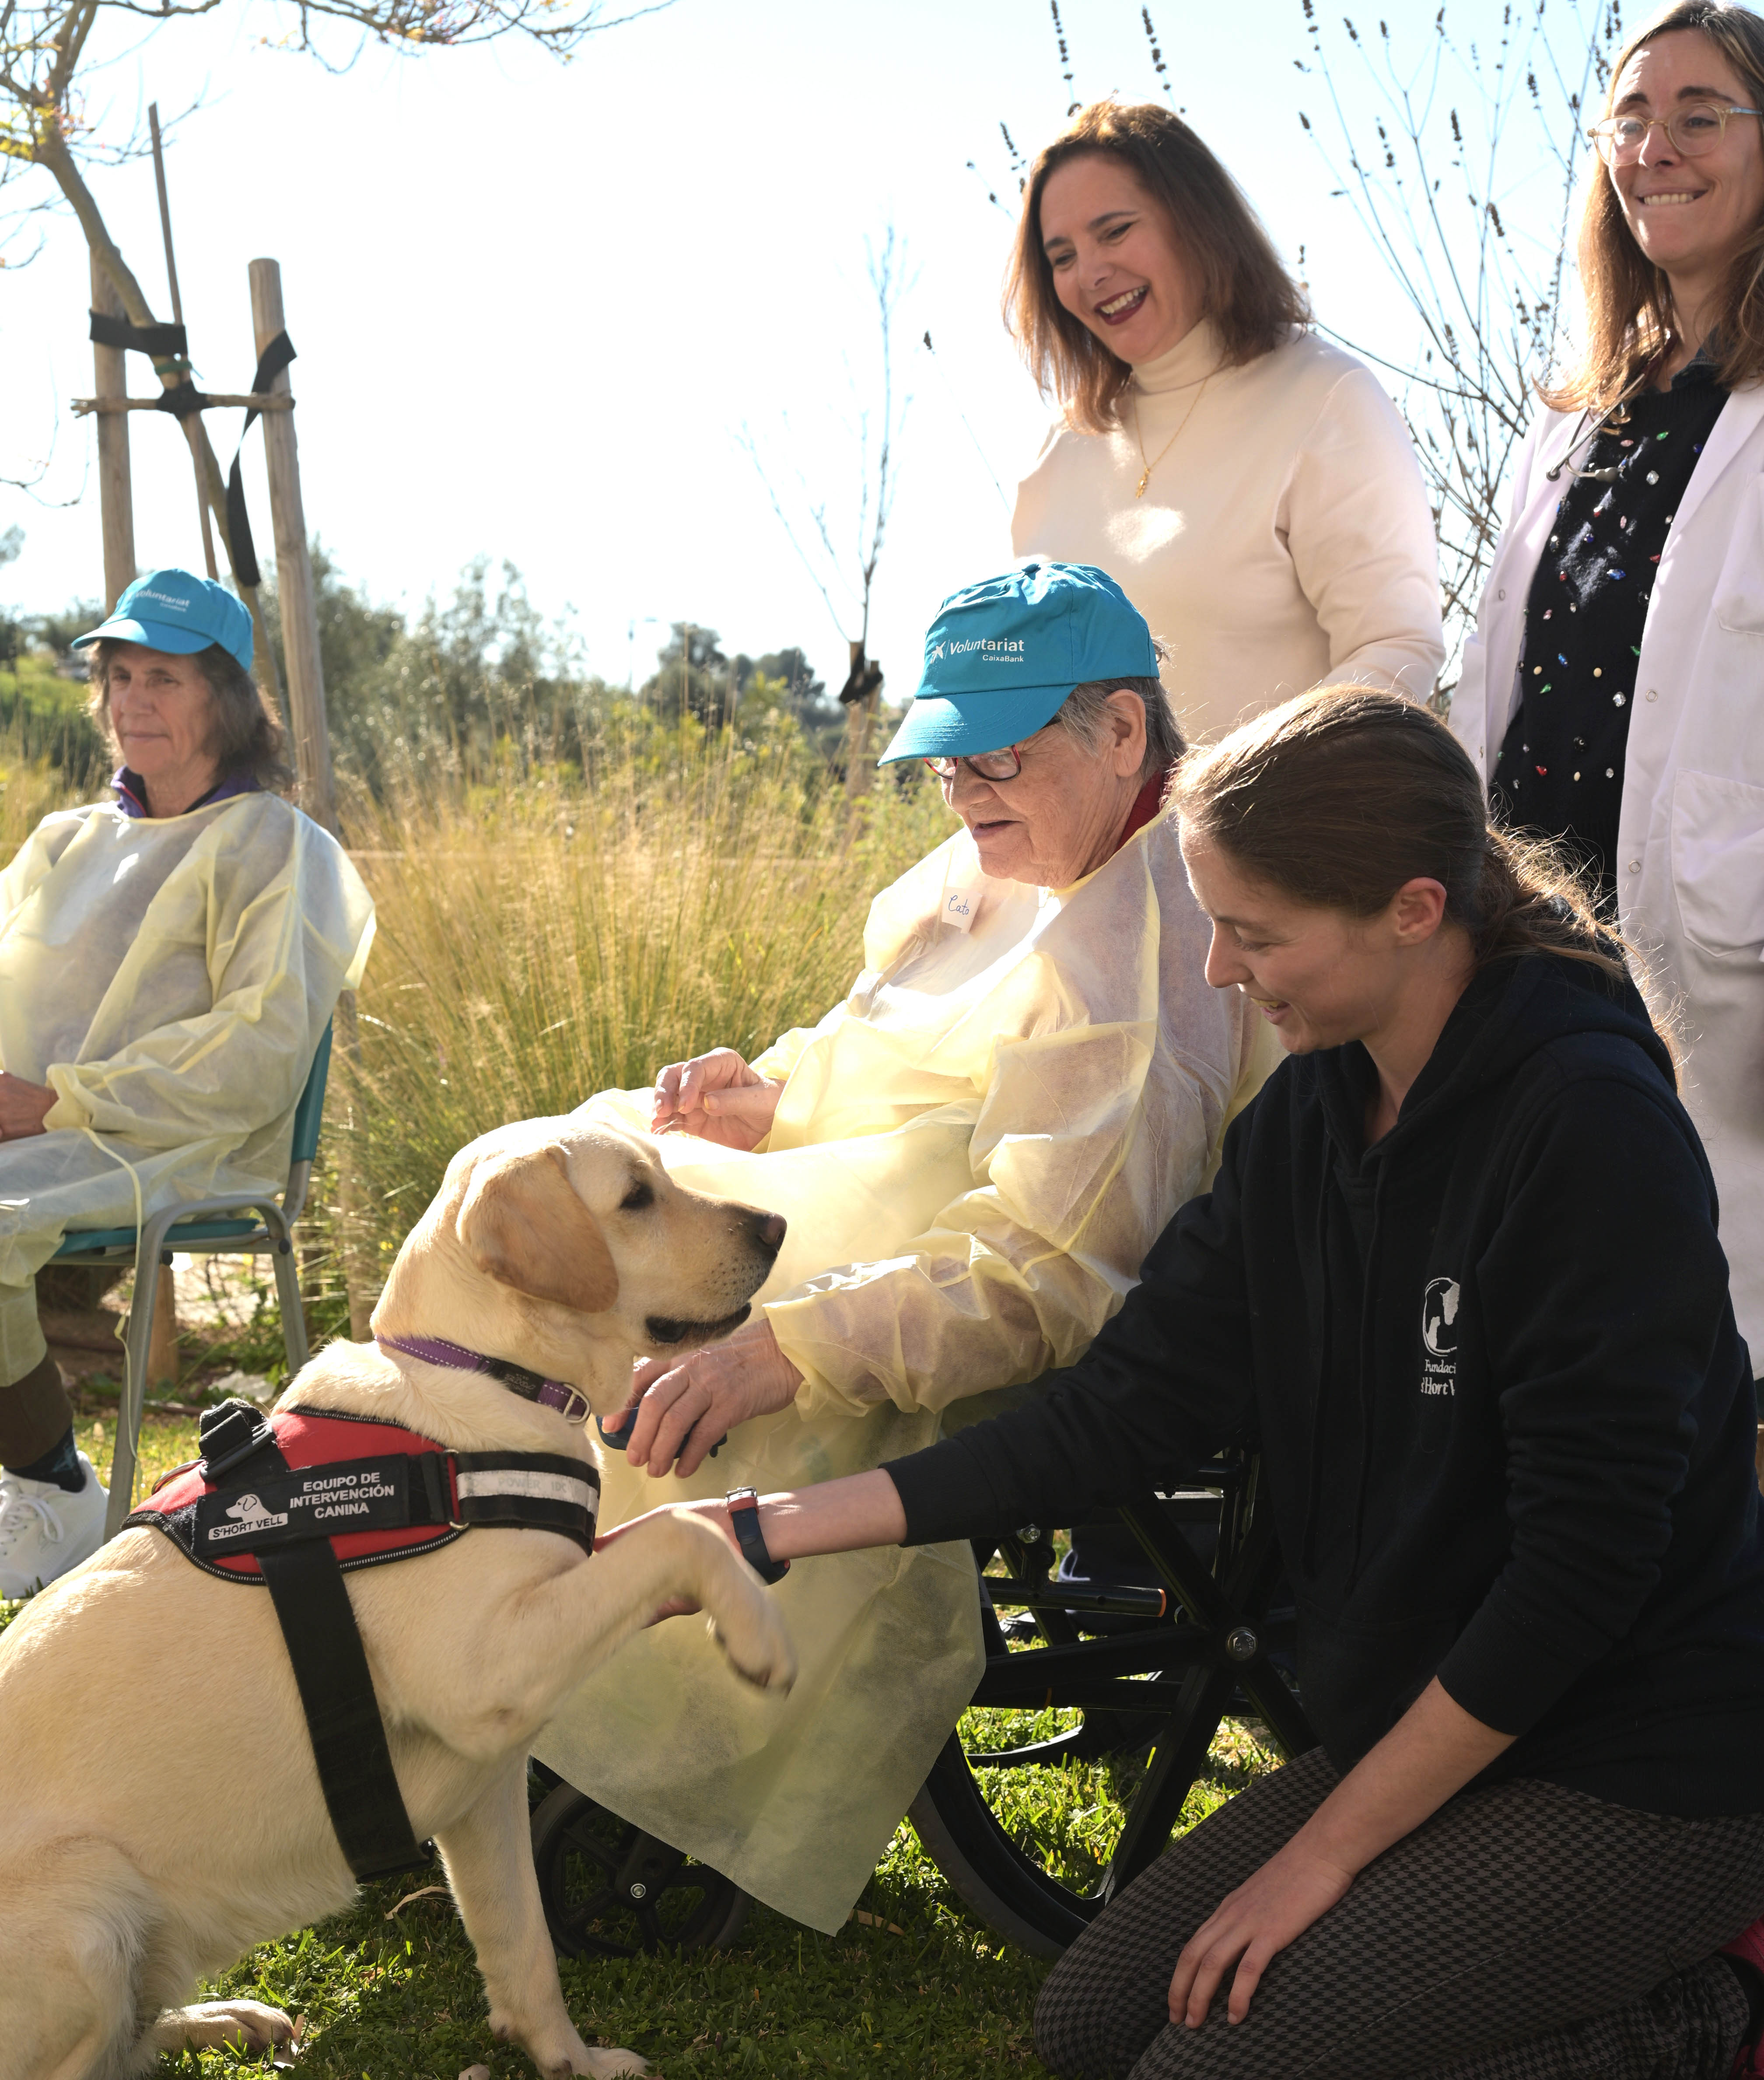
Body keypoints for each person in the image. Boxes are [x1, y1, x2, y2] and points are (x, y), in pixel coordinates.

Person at [626, 687, 1764, 2080]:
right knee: (1095, 2022)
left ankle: (1713, 2020)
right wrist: (772, 1529)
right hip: (1429, 1720)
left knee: (1204, 2068)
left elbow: (1583, 1575)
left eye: (1257, 932)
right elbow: (1124, 1414)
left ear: (1413, 911)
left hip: (1643, 1757)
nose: (1218, 970)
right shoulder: (1310, 1118)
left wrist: (1320, 1862)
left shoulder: (1588, 1129)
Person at [537, 562, 1256, 1933]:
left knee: (665, 1314)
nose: (969, 789)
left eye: (1002, 754)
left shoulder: (1152, 935)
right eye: (947, 761)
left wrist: (794, 1349)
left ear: (1121, 732)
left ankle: (633, 1747)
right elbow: (885, 1047)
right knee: (566, 1175)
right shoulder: (999, 863)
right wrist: (774, 1098)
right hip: (862, 1211)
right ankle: (481, 1660)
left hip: (951, 1294)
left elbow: (1054, 1265)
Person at [1452, 0, 1764, 1365]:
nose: (1658, 147)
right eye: (1632, 117)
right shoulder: (1578, 415)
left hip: (1717, 954)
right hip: (1547, 942)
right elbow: (1493, 682)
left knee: (1717, 1351)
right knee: (1563, 1347)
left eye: (1704, 113)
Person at [0, 569, 374, 1596]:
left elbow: (255, 1054)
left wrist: (56, 1101)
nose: (131, 701)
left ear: (228, 697)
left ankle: (55, 1488)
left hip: (184, 1144)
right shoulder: (70, 841)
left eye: (161, 677)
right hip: (46, 1132)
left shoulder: (279, 847)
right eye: (118, 676)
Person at [1008, 99, 1445, 745]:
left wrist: (1238, 804)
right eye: (1063, 256)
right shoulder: (1063, 448)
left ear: (1196, 222)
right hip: (1088, 849)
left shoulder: (1325, 399)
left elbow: (1398, 649)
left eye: (1116, 230)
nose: (1091, 272)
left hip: (1271, 839)